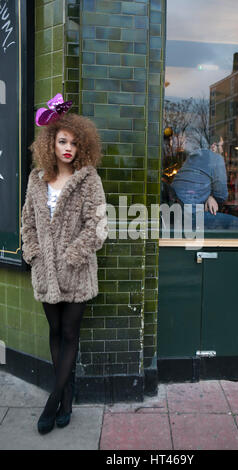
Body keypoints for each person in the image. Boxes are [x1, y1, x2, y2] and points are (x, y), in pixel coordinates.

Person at [21, 94, 108, 434]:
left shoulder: (89, 181)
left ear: (82, 146)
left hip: (76, 272)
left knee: (70, 334)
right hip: (45, 272)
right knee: (54, 333)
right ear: (50, 143)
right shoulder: (36, 180)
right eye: (62, 141)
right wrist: (33, 253)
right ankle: (67, 398)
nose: (68, 148)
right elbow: (28, 222)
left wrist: (72, 256)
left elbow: (98, 226)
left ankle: (53, 400)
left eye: (74, 142)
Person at [171, 136, 238, 229]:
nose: (222, 151)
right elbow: (222, 195)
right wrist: (211, 197)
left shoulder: (191, 159)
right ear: (214, 146)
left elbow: (195, 184)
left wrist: (209, 197)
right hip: (194, 216)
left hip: (174, 212)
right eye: (221, 146)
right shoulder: (216, 158)